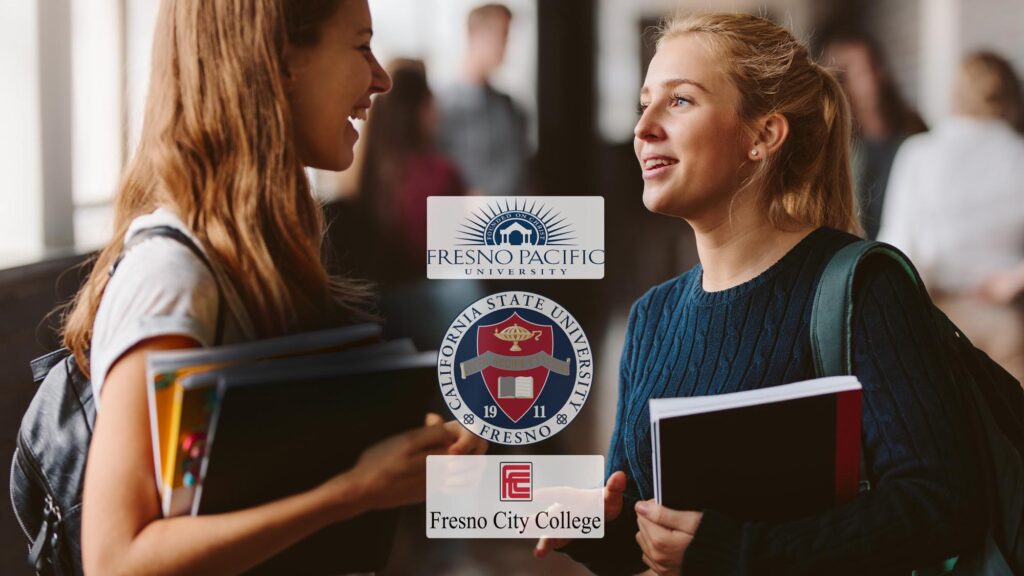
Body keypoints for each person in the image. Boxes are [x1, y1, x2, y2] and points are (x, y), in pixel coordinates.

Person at [535, 13, 984, 575]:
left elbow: (939, 501)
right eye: (643, 104)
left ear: (763, 135)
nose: (644, 127)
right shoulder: (652, 317)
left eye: (680, 102)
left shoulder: (862, 286)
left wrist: (739, 554)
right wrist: (596, 527)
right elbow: (656, 537)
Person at [61, 1, 485, 574]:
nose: (381, 78)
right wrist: (352, 491)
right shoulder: (173, 278)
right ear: (280, 62)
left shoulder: (249, 257)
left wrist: (401, 452)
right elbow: (118, 560)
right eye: (361, 46)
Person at [878, 51, 1024, 382]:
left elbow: (898, 245)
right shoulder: (1019, 155)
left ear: (956, 93)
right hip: (1005, 321)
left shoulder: (920, 153)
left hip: (939, 319)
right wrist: (1012, 281)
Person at [360, 60, 467, 284]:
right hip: (429, 291)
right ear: (419, 110)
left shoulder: (367, 171)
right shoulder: (442, 174)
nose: (438, 117)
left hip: (381, 295)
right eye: (432, 105)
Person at [823, 31, 927, 239]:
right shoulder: (836, 143)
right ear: (841, 81)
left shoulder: (914, 129)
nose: (870, 77)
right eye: (858, 71)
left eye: (872, 65)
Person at [436, 3, 529, 197]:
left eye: (507, 36)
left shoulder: (510, 108)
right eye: (501, 35)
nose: (506, 46)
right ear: (473, 35)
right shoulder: (441, 107)